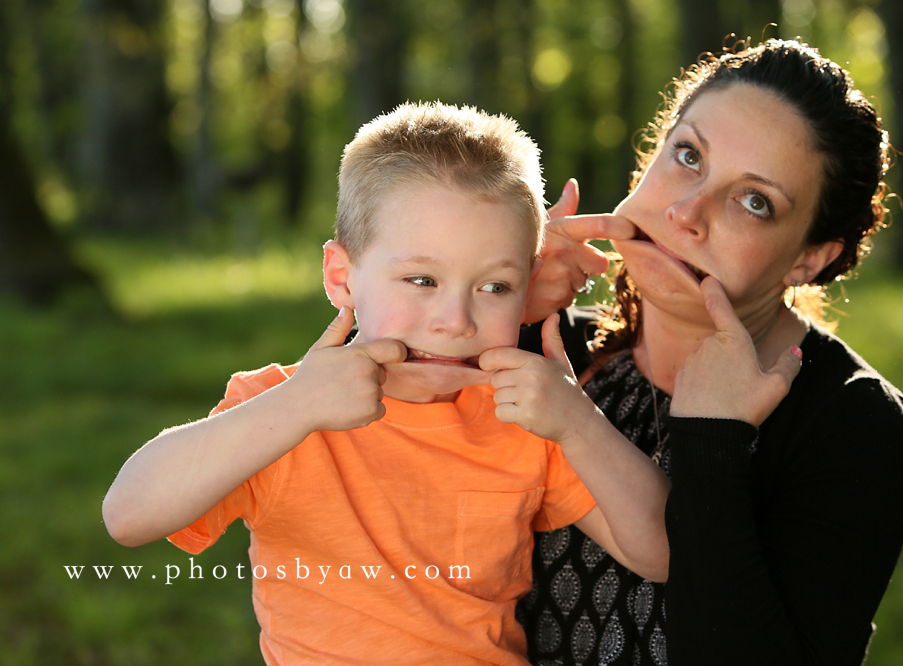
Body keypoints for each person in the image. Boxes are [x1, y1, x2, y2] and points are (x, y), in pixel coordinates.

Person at [101, 102, 681, 665]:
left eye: (494, 287)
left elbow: (665, 554)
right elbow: (128, 516)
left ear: (527, 288)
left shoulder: (526, 417)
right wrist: (295, 407)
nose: (455, 320)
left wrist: (579, 420)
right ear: (341, 277)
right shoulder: (283, 410)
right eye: (421, 279)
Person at [516, 39, 903, 665]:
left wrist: (711, 443)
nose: (684, 212)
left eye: (754, 201)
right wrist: (485, 298)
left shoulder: (850, 419)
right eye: (687, 156)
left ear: (810, 257)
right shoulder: (550, 342)